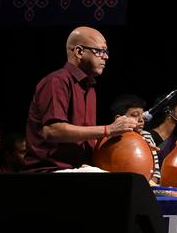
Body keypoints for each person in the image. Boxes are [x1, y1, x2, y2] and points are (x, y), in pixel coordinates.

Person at [23, 26, 141, 172]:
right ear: (79, 51)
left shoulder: (90, 88)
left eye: (106, 52)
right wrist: (109, 129)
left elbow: (89, 137)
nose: (106, 57)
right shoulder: (56, 81)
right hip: (50, 170)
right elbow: (52, 131)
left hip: (79, 169)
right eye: (100, 51)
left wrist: (131, 141)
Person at [109, 94, 156, 182]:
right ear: (119, 119)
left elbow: (156, 171)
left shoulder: (147, 137)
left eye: (142, 115)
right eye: (135, 115)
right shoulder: (110, 139)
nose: (141, 120)